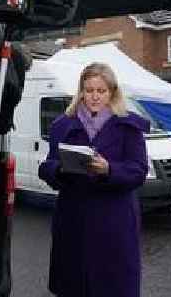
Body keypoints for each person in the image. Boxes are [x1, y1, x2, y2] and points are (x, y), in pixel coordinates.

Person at [38, 62, 149, 297]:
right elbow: (47, 165)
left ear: (112, 92)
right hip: (73, 218)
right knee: (74, 285)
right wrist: (60, 169)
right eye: (89, 90)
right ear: (81, 91)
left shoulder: (128, 126)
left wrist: (109, 170)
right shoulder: (62, 124)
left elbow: (139, 170)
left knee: (112, 287)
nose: (95, 97)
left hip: (114, 221)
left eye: (101, 91)